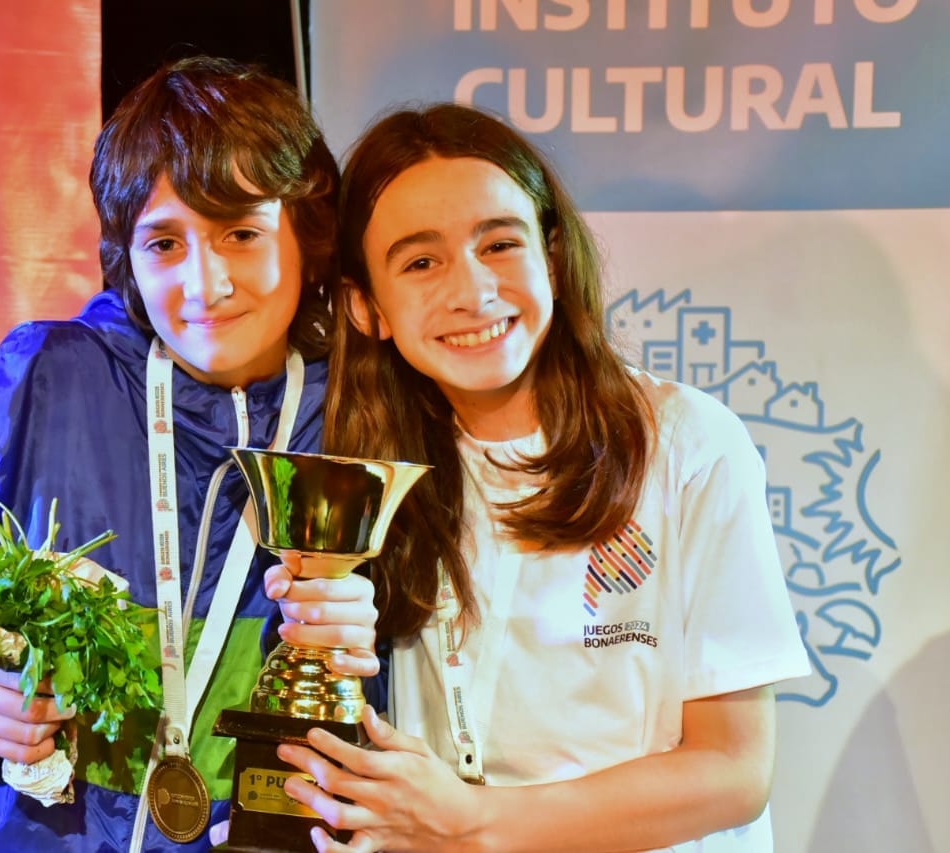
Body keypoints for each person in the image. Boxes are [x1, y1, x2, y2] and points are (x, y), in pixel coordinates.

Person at [0, 56, 382, 852]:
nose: (205, 283)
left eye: (242, 233)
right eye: (164, 243)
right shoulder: (42, 378)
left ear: (307, 235)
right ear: (127, 255)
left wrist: (363, 650)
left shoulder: (354, 414)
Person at [275, 103, 812, 852]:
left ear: (552, 260)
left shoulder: (686, 443)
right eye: (421, 262)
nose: (472, 292)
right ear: (366, 306)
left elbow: (734, 771)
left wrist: (472, 824)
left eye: (499, 245)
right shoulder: (367, 468)